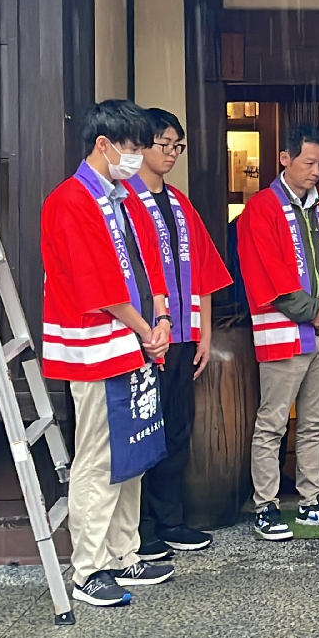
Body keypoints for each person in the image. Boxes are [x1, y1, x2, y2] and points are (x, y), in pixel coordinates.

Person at [40, 100, 175, 607]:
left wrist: (160, 320)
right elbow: (99, 285)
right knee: (98, 455)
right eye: (134, 148)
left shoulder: (121, 196)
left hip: (134, 340)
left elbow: (150, 264)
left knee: (134, 451)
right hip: (97, 343)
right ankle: (88, 567)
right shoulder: (71, 200)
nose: (139, 157)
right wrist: (148, 327)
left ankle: (124, 551)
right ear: (105, 144)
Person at [239, 124, 319, 540]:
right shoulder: (261, 208)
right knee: (272, 422)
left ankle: (312, 500)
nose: (315, 171)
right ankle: (266, 505)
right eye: (308, 162)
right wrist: (314, 309)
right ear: (285, 158)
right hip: (283, 331)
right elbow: (264, 269)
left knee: (316, 421)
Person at [127, 109, 233, 561]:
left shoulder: (180, 203)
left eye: (177, 145)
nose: (170, 154)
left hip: (184, 336)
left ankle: (170, 520)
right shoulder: (124, 200)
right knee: (142, 431)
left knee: (175, 430)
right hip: (144, 338)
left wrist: (205, 334)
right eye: (162, 144)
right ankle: (140, 529)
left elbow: (204, 273)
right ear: (140, 146)